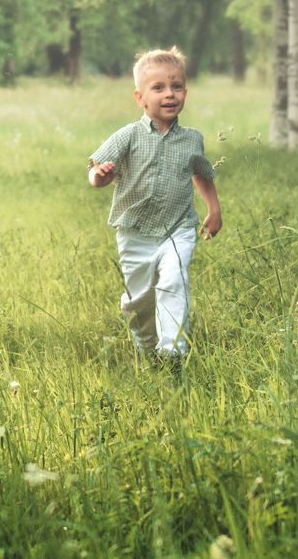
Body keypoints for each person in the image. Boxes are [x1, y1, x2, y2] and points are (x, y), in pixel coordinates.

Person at [87, 47, 221, 367]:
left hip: (178, 228)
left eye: (176, 87)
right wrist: (99, 176)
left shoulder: (192, 140)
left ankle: (172, 351)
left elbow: (202, 174)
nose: (169, 94)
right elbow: (96, 169)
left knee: (174, 281)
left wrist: (213, 210)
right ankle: (147, 346)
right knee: (140, 302)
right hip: (135, 234)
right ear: (140, 97)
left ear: (185, 92)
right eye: (158, 88)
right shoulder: (128, 136)